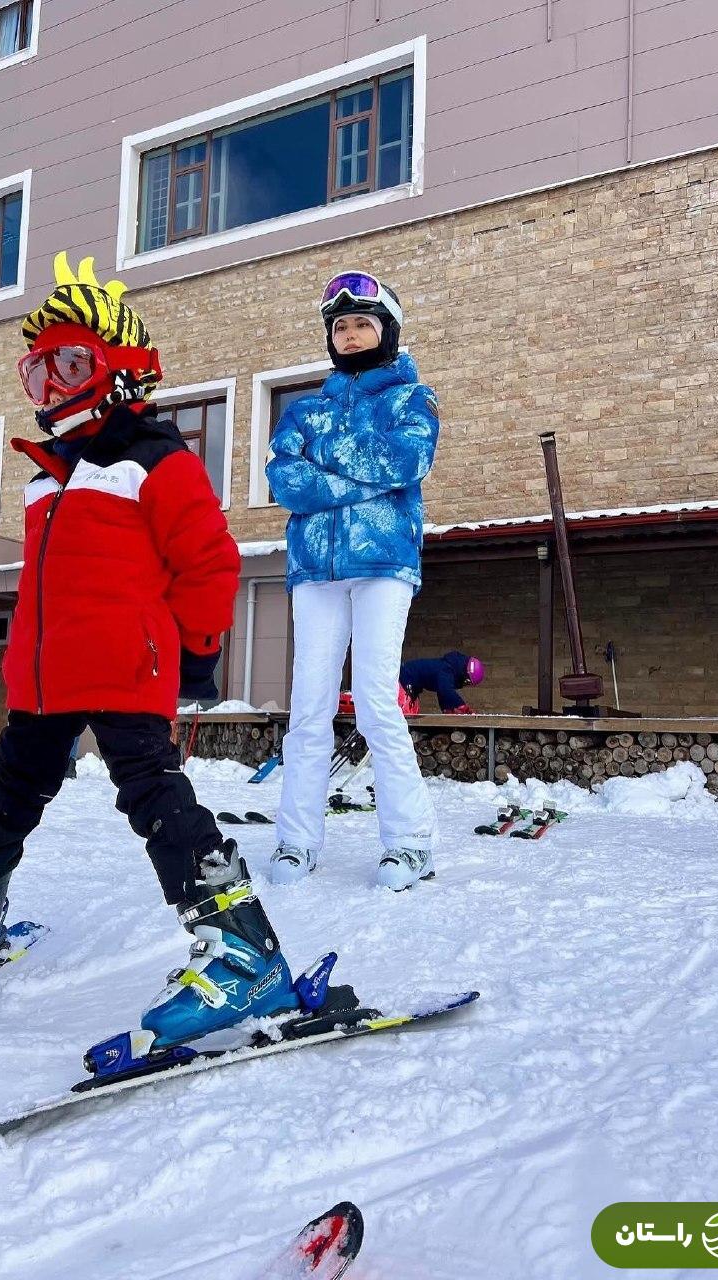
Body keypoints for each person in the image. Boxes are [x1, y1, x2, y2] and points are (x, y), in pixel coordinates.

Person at [0, 254, 305, 1049]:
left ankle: (244, 949)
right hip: (47, 679)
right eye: (36, 373)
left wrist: (198, 653)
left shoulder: (156, 458)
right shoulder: (48, 476)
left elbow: (209, 561)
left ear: (120, 372)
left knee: (154, 797)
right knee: (7, 793)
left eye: (68, 365)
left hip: (127, 669)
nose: (50, 388)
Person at [265, 270, 440, 891]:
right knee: (308, 707)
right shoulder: (304, 408)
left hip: (383, 563)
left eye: (363, 322)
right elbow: (283, 481)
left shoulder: (412, 400)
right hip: (315, 569)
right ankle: (296, 841)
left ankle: (410, 841)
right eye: (341, 325)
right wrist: (361, 480)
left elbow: (407, 461)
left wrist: (326, 473)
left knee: (374, 700)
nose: (351, 334)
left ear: (386, 329)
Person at [400, 652, 485, 714]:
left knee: (412, 712)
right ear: (466, 674)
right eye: (467, 682)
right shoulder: (446, 669)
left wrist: (447, 709)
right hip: (406, 678)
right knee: (405, 715)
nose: (465, 684)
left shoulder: (449, 670)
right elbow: (446, 690)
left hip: (412, 684)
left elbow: (442, 693)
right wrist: (463, 707)